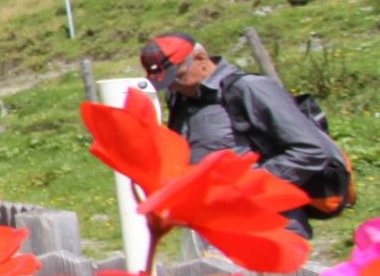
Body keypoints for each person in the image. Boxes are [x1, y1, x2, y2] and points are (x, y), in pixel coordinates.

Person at [141, 31, 342, 236]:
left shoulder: (250, 88)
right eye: (166, 82)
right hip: (212, 227)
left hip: (268, 228)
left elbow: (312, 150)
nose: (173, 86)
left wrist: (246, 187)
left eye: (178, 76)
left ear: (200, 59)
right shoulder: (180, 97)